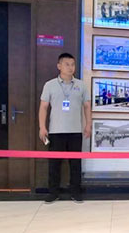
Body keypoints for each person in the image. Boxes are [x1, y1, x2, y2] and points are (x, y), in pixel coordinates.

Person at [38, 52, 91, 204]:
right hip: (56, 131)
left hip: (75, 131)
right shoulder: (50, 85)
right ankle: (53, 193)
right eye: (67, 64)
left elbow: (87, 106)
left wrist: (88, 124)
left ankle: (76, 192)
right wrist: (42, 127)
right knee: (54, 164)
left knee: (75, 164)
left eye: (72, 64)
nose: (70, 67)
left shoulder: (81, 85)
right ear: (59, 66)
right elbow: (43, 107)